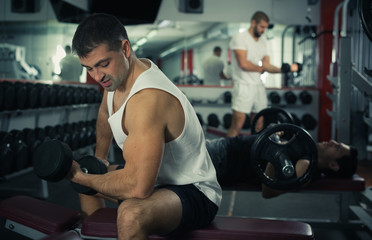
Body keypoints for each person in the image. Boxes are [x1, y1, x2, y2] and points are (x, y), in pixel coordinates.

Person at [68, 13, 222, 240]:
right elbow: (104, 113)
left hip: (192, 191)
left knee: (131, 214)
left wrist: (81, 177)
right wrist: (99, 160)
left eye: (103, 64)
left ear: (125, 49)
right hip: (154, 180)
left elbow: (139, 188)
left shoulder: (148, 99)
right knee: (89, 172)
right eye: (89, 68)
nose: (97, 76)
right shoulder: (116, 78)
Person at [206, 134, 358, 198]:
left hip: (223, 160)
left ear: (333, 165)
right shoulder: (306, 150)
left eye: (337, 148)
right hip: (225, 147)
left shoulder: (306, 169)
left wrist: (276, 153)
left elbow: (268, 192)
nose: (332, 141)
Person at [227, 11, 299, 137]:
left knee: (259, 123)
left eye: (265, 27)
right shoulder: (240, 38)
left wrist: (284, 69)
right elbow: (243, 64)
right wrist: (261, 68)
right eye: (261, 27)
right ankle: (224, 154)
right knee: (238, 124)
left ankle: (255, 153)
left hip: (258, 86)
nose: (263, 30)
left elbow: (267, 65)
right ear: (253, 23)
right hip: (243, 85)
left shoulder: (264, 42)